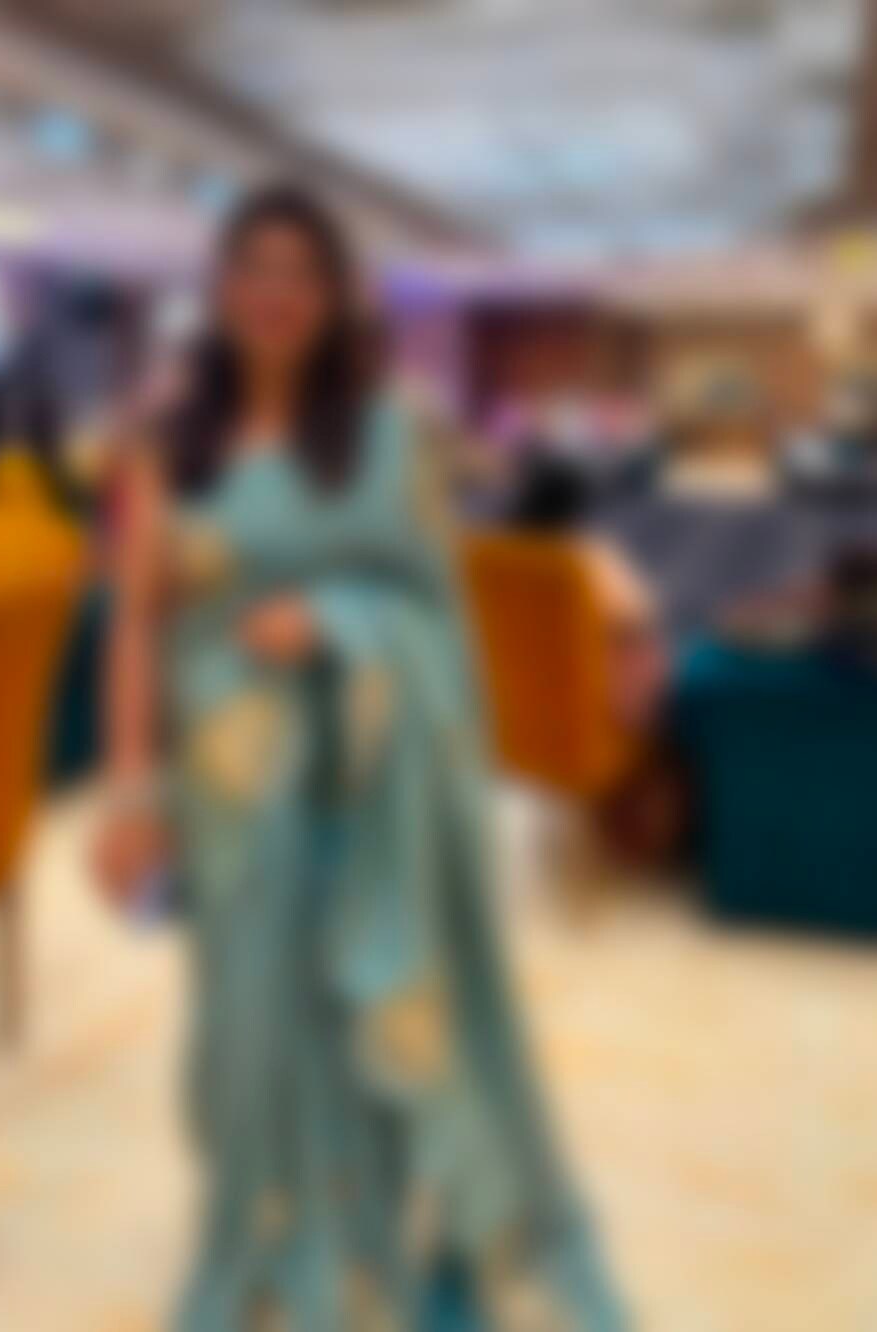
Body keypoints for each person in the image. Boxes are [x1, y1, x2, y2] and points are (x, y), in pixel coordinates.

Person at [96, 184, 626, 1332]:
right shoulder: (164, 441)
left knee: (351, 1026)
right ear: (219, 288)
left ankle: (358, 1252)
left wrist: (336, 620)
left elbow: (437, 617)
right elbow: (134, 622)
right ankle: (261, 1240)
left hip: (362, 785)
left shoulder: (388, 437)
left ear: (336, 296)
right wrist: (129, 790)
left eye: (301, 272)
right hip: (229, 805)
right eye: (253, 267)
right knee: (244, 1037)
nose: (274, 293)